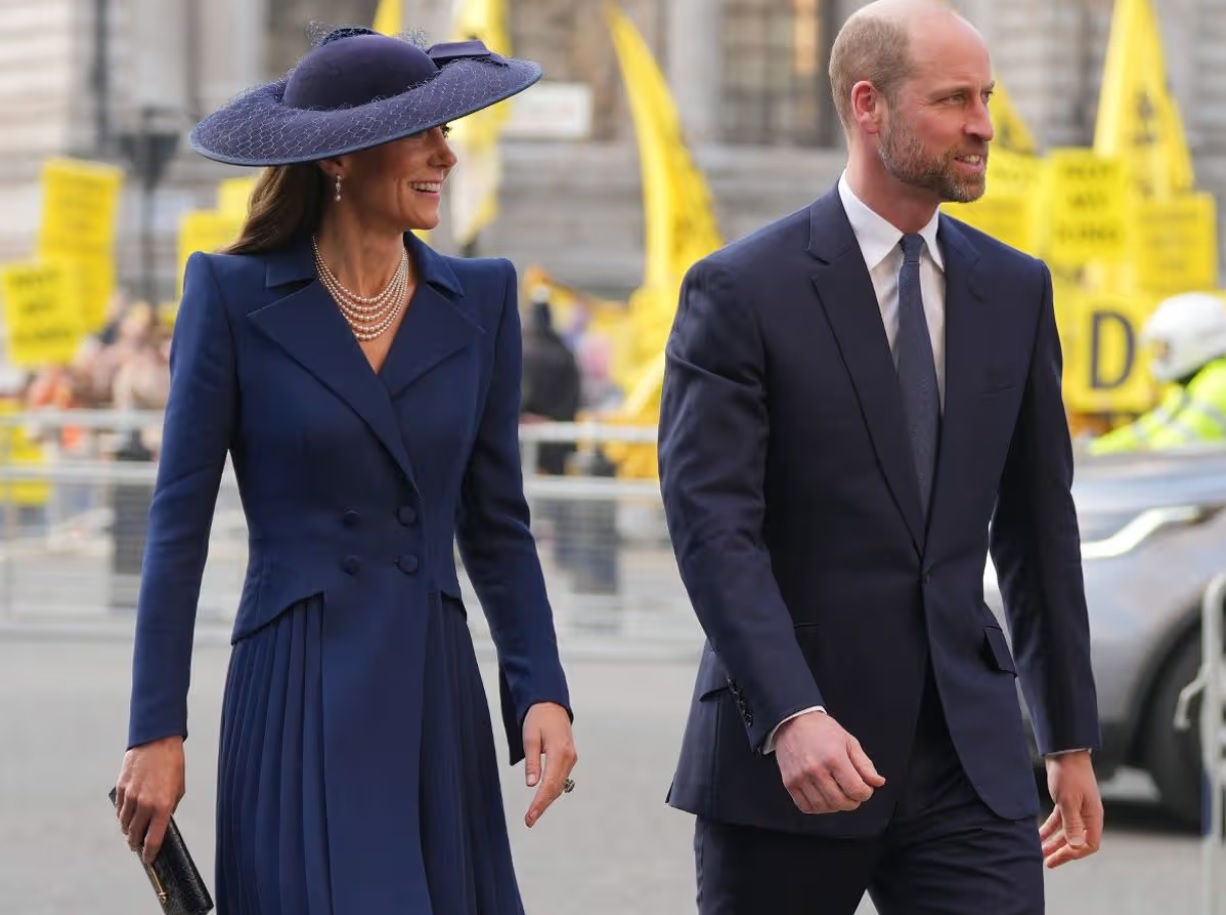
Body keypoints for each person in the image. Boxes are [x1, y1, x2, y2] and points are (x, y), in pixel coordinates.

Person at [113, 27, 577, 914]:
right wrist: (155, 728)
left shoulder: (483, 299)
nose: (447, 153)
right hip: (295, 689)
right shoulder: (231, 294)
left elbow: (498, 524)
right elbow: (177, 526)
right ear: (342, 159)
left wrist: (540, 687)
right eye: (424, 133)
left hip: (433, 688)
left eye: (446, 131)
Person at [657, 2, 1102, 912]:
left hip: (967, 762)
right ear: (869, 105)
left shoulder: (1016, 290)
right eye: (953, 99)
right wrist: (789, 712)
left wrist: (1069, 737)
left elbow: (1037, 528)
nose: (983, 123)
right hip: (790, 756)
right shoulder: (740, 288)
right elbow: (714, 529)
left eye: (985, 96)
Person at [1088, 291, 1226, 453]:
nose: (1158, 357)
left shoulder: (1218, 386)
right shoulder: (1194, 385)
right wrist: (1094, 449)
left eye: (1163, 348)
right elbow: (1145, 431)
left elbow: (1172, 446)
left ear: (1192, 341)